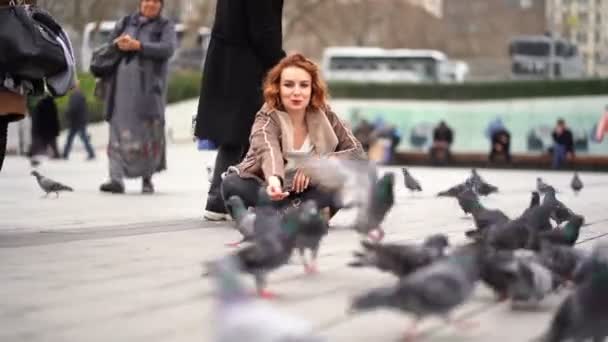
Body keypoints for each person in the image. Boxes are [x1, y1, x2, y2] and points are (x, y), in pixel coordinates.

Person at [220, 53, 365, 217]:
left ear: (312, 89)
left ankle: (287, 212)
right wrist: (274, 181)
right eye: (288, 85)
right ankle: (297, 212)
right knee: (232, 183)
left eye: (304, 85)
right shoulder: (267, 116)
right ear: (278, 88)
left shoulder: (326, 114)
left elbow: (357, 153)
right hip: (269, 186)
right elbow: (268, 149)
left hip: (310, 189)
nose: (297, 92)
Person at [194, 0, 285, 221]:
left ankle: (225, 199)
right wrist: (281, 63)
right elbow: (264, 30)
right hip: (247, 65)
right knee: (244, 132)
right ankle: (220, 200)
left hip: (227, 61)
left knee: (237, 133)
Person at [99, 0, 176, 194]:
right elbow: (108, 47)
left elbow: (167, 49)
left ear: (161, 5)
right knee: (117, 129)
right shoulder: (125, 23)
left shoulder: (164, 26)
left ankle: (147, 178)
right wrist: (117, 44)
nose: (150, 4)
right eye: (147, 0)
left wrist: (139, 46)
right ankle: (115, 178)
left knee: (148, 131)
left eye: (155, 1)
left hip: (149, 90)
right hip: (120, 89)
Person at [62, 81, 96, 160]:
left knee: (75, 138)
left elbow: (73, 108)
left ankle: (65, 154)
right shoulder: (80, 95)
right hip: (80, 121)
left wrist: (67, 114)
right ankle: (65, 154)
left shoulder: (75, 96)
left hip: (76, 121)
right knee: (79, 138)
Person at [29, 95, 61, 160]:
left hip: (42, 129)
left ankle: (31, 153)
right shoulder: (52, 104)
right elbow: (55, 119)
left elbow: (37, 118)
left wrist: (35, 129)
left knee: (37, 142)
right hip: (51, 129)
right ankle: (56, 154)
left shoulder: (40, 105)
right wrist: (57, 129)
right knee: (52, 143)